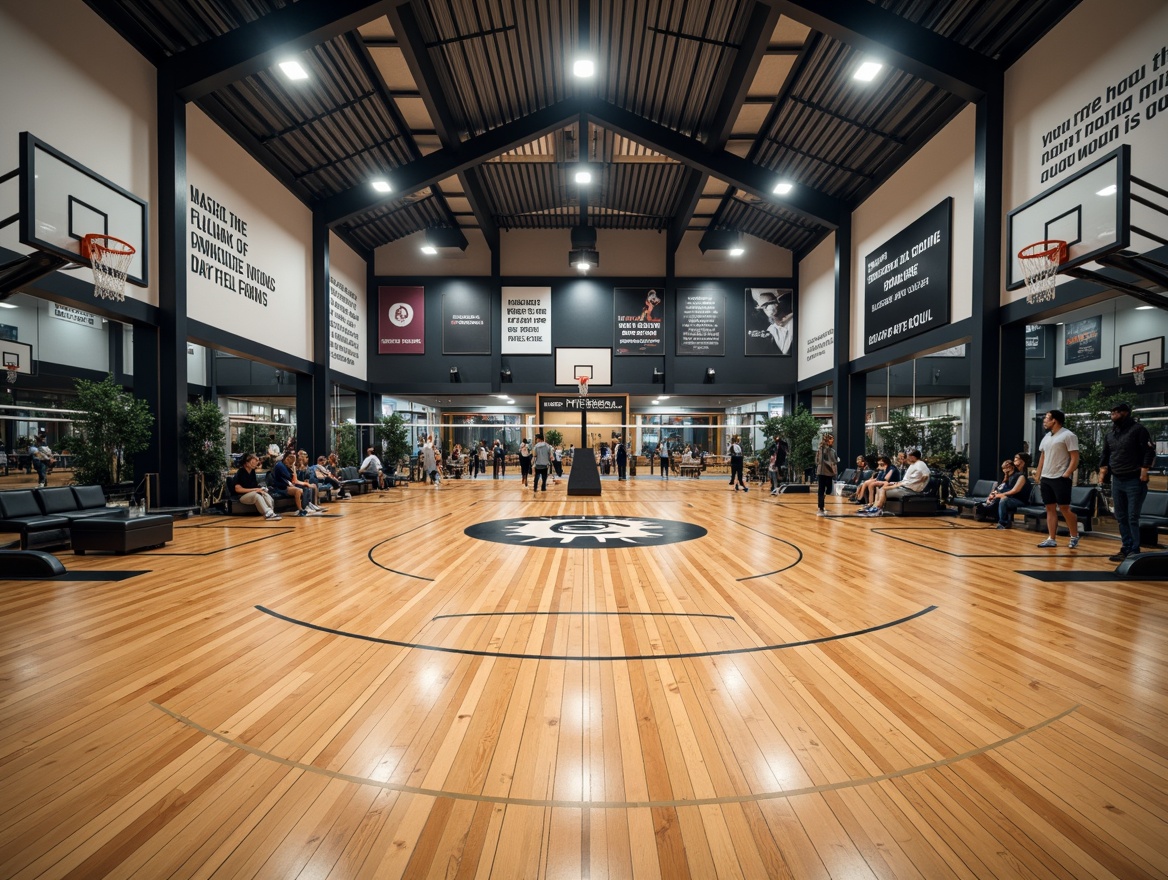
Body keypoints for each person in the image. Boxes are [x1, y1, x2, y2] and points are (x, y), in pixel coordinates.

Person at [1099, 401, 1155, 561]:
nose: (1113, 415)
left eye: (1117, 412)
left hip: (1134, 479)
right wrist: (1103, 471)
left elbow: (1149, 451)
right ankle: (1126, 547)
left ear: (1126, 413)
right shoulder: (1111, 434)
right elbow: (1105, 454)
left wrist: (1144, 470)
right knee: (1120, 516)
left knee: (1132, 516)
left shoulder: (1138, 430)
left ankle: (1134, 550)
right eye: (1112, 412)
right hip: (1117, 478)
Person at [1035, 409, 1081, 549]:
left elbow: (1075, 457)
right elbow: (1042, 457)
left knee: (1064, 508)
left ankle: (1074, 536)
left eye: (1047, 418)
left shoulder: (1068, 435)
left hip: (1060, 478)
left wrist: (1067, 473)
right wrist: (1038, 474)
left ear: (1054, 420)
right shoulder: (1047, 437)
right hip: (1046, 478)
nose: (1044, 421)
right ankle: (1051, 538)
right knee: (1049, 508)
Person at [858, 448, 930, 517]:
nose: (907, 458)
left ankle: (878, 509)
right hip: (904, 486)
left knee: (883, 489)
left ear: (913, 457)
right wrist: (897, 484)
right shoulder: (913, 464)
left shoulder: (921, 464)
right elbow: (907, 480)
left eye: (908, 456)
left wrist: (919, 482)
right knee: (882, 488)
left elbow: (926, 475)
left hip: (910, 490)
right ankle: (874, 507)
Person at [233, 453, 281, 520]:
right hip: (242, 496)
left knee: (265, 494)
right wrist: (255, 490)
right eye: (252, 462)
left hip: (252, 492)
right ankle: (267, 513)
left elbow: (255, 486)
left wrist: (261, 489)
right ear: (246, 463)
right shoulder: (240, 472)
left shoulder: (252, 472)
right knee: (256, 496)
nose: (255, 463)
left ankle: (271, 512)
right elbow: (238, 489)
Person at [990, 452, 1032, 529]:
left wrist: (1001, 495)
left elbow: (1015, 490)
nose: (1015, 460)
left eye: (1017, 459)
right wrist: (995, 493)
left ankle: (1003, 523)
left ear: (1023, 462)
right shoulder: (1013, 474)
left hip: (1020, 500)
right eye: (1015, 458)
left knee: (1004, 500)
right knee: (997, 499)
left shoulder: (1022, 476)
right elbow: (1002, 486)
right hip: (1012, 498)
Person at [269, 451, 315, 516]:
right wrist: (292, 467)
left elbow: (293, 479)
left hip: (287, 485)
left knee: (306, 488)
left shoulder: (286, 465)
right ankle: (300, 510)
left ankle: (307, 505)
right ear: (287, 458)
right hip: (281, 487)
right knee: (298, 490)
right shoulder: (280, 465)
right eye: (291, 462)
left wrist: (292, 467)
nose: (291, 464)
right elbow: (291, 478)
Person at [750, 289, 794, 354]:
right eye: (763, 308)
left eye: (766, 305)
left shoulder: (793, 322)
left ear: (776, 303)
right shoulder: (771, 330)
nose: (765, 309)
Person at [814, 433, 837, 515]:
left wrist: (834, 468)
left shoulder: (832, 451)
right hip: (821, 472)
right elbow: (818, 461)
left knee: (829, 489)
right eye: (831, 439)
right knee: (821, 490)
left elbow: (834, 461)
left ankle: (822, 498)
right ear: (827, 440)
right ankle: (821, 507)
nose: (832, 441)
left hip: (830, 472)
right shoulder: (821, 449)